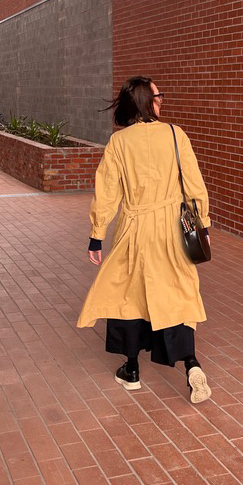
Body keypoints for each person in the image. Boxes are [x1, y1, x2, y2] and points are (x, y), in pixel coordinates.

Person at [78, 76, 212, 404]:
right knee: (177, 293)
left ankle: (132, 369)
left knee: (129, 294)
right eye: (157, 95)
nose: (161, 100)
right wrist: (203, 224)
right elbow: (194, 184)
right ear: (143, 101)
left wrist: (97, 235)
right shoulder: (175, 134)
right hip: (172, 229)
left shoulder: (120, 143)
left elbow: (108, 192)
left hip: (134, 228)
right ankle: (191, 363)